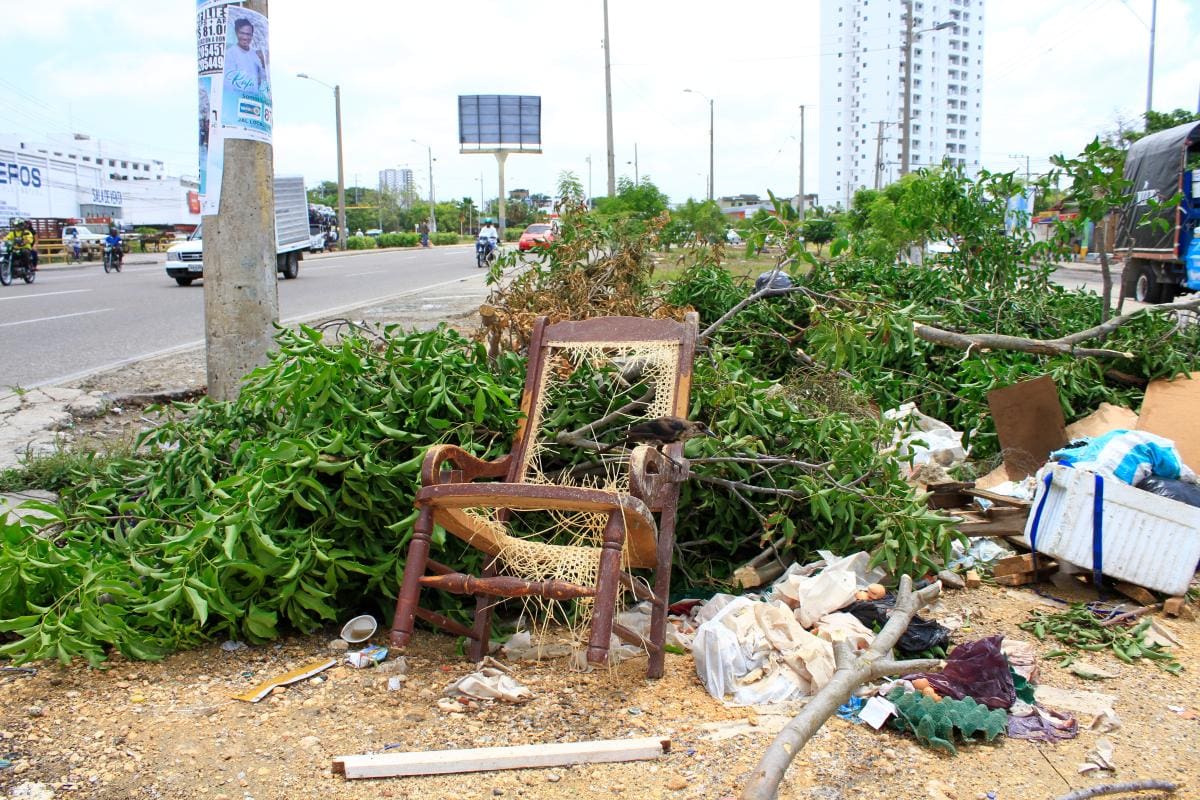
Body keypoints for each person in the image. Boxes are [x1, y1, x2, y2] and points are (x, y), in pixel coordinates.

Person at [224, 17, 268, 96]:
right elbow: (228, 84)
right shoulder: (230, 54)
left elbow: (263, 78)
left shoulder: (255, 54)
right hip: (237, 101)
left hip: (254, 100)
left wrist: (264, 64)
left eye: (248, 34)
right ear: (236, 33)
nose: (245, 37)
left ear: (252, 35)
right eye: (242, 33)